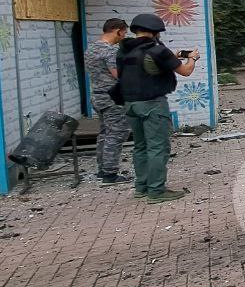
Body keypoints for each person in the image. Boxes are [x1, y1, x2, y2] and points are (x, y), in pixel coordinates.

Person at [117, 13, 200, 202]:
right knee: (157, 148)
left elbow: (140, 67)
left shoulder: (124, 51)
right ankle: (156, 191)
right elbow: (185, 71)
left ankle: (142, 187)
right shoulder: (158, 51)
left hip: (130, 105)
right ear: (156, 32)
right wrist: (192, 58)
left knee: (140, 147)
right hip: (152, 105)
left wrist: (174, 55)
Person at [84, 17, 131, 184]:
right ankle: (110, 174)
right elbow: (118, 74)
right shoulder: (110, 51)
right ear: (117, 30)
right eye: (124, 32)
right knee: (117, 133)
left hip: (97, 96)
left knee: (105, 133)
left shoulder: (91, 49)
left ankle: (102, 169)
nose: (124, 36)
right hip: (112, 98)